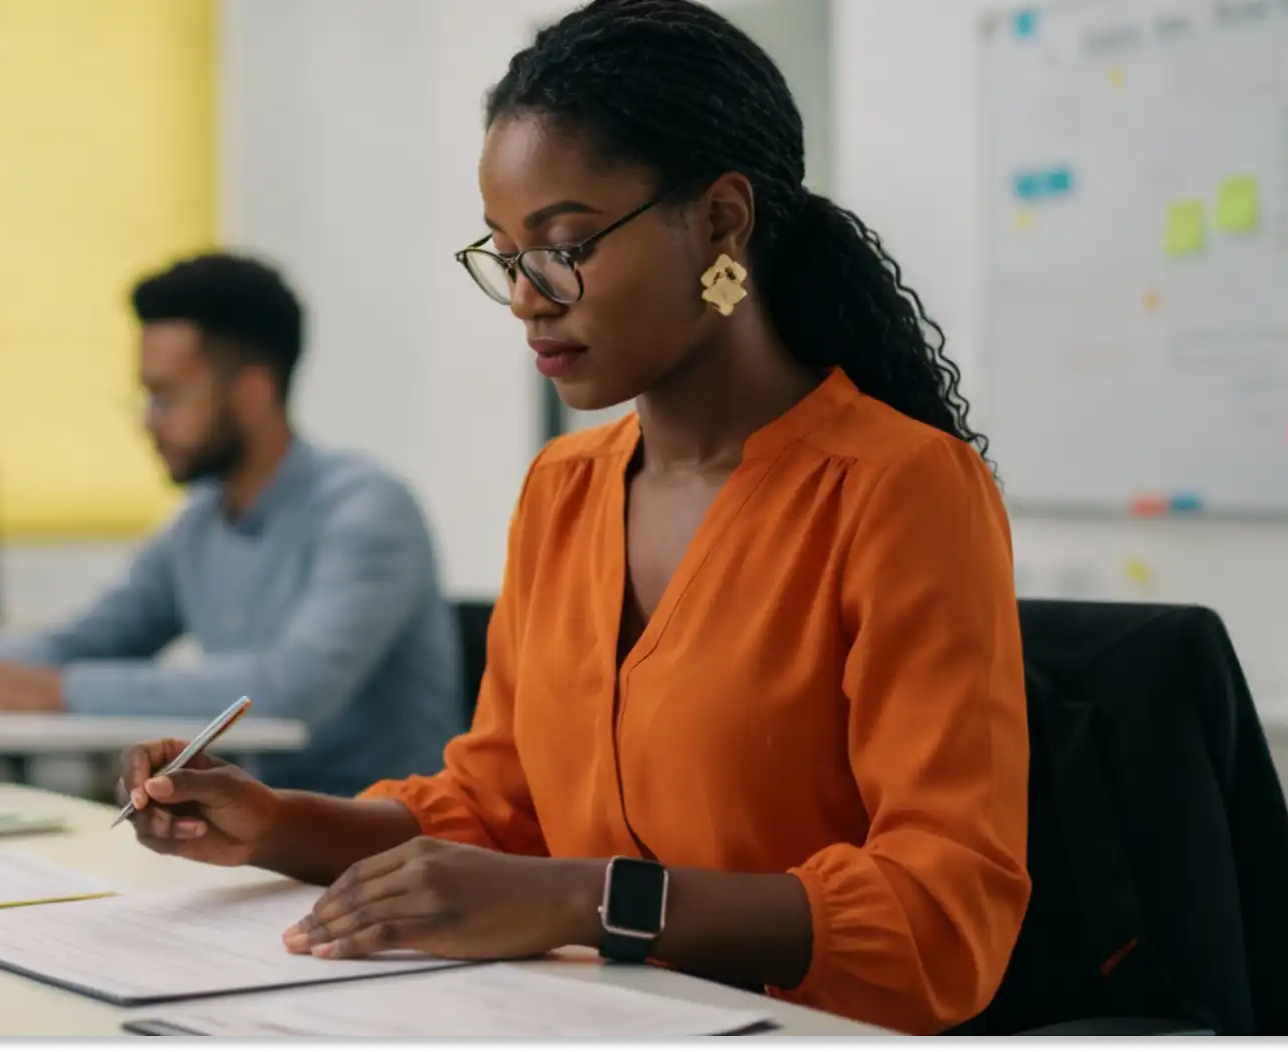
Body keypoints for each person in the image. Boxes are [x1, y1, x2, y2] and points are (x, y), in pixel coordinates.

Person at [112, 0, 1031, 1036]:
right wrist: (276, 822)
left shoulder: (897, 487)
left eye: (565, 244)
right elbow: (497, 803)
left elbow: (943, 911)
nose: (525, 298)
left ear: (722, 224)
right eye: (504, 254)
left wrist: (582, 898)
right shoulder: (564, 487)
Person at [0, 253, 463, 797]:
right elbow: (91, 638)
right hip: (264, 831)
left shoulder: (369, 510)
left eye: (165, 397)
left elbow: (290, 690)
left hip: (379, 840)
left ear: (253, 393)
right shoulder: (201, 521)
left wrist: (61, 691)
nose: (147, 423)